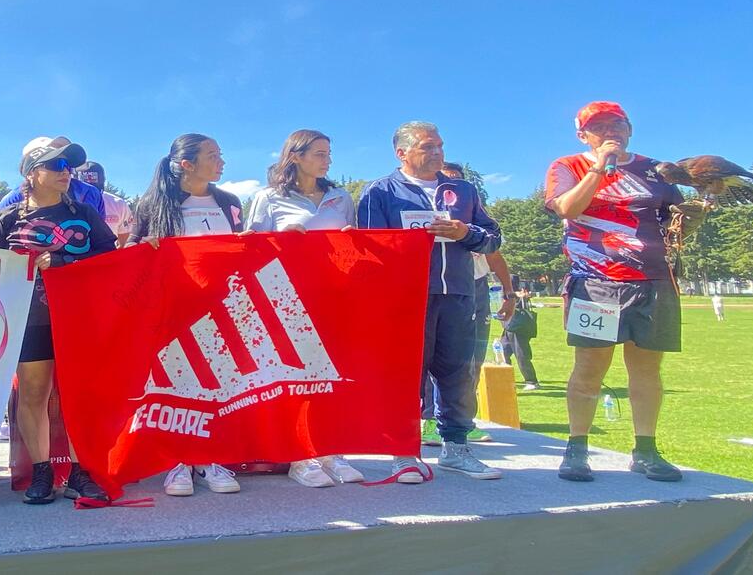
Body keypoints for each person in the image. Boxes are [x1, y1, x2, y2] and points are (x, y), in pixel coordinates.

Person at [546, 101, 705, 483]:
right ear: (583, 135)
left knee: (648, 371)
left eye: (616, 124)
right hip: (596, 282)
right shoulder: (567, 166)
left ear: (630, 128)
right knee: (589, 369)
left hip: (653, 281)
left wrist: (693, 219)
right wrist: (601, 167)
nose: (610, 132)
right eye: (599, 127)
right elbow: (567, 208)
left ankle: (646, 450)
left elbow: (674, 224)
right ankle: (577, 449)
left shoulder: (656, 169)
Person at [358, 121, 504, 483]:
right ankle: (403, 453)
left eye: (439, 145)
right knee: (407, 376)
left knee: (457, 372)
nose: (437, 152)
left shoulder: (463, 190)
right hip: (406, 299)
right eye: (427, 146)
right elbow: (368, 250)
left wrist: (464, 232)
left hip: (457, 293)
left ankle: (456, 449)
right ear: (402, 152)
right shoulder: (380, 191)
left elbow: (493, 238)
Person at [0, 140, 115, 504]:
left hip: (79, 318)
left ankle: (78, 473)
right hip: (28, 320)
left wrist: (63, 266)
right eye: (55, 165)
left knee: (76, 397)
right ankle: (41, 472)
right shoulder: (6, 218)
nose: (64, 172)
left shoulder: (86, 214)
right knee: (34, 394)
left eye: (67, 166)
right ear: (31, 174)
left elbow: (110, 264)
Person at [245, 129, 364, 488]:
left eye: (329, 153)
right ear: (295, 156)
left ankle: (331, 450)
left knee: (332, 376)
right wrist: (281, 242)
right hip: (286, 300)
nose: (327, 159)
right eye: (319, 153)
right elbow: (250, 250)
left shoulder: (341, 197)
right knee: (296, 378)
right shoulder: (267, 198)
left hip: (332, 297)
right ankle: (299, 456)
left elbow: (356, 248)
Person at [129, 134, 243, 497]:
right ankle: (176, 461)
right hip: (171, 308)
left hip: (220, 307)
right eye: (213, 155)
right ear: (186, 164)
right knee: (174, 384)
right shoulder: (153, 203)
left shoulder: (228, 202)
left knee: (218, 382)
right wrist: (143, 249)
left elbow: (241, 247)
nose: (221, 161)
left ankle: (211, 458)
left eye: (220, 154)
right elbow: (130, 248)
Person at [417, 162, 517, 446]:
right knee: (430, 355)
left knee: (469, 358)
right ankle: (429, 420)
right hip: (435, 286)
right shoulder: (424, 211)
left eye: (457, 184)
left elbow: (495, 252)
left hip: (473, 287)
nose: (451, 191)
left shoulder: (472, 217)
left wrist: (509, 293)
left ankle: (462, 420)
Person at [0, 137, 105, 218]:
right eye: (55, 162)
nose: (65, 171)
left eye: (68, 164)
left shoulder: (90, 193)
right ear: (30, 170)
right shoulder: (11, 201)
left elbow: (102, 244)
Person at [74, 160, 134, 247]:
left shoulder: (118, 204)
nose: (91, 197)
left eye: (95, 191)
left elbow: (125, 240)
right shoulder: (60, 203)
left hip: (107, 257)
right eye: (85, 191)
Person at [501, 289, 540, 389]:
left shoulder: (514, 293)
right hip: (508, 327)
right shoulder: (507, 292)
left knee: (522, 355)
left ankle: (531, 381)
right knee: (503, 353)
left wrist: (520, 295)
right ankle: (505, 378)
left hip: (517, 328)